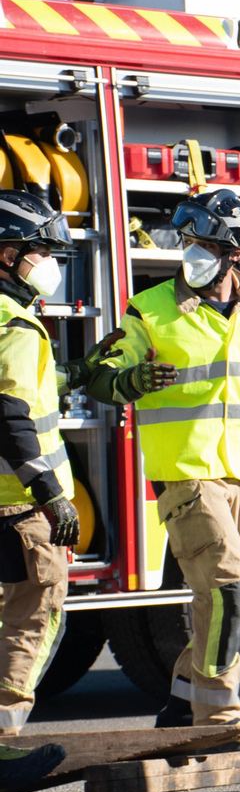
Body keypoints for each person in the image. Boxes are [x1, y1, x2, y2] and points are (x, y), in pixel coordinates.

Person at [86, 188, 240, 749]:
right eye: (188, 242)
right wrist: (126, 382)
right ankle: (218, 721)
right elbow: (102, 377)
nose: (192, 253)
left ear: (235, 254)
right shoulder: (149, 310)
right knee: (228, 592)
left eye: (205, 244)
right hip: (187, 476)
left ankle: (182, 699)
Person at [0, 192, 107, 740]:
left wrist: (80, 370)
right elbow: (12, 414)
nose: (49, 265)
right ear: (7, 254)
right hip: (18, 508)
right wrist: (50, 493)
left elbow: (29, 389)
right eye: (41, 251)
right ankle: (4, 742)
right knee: (33, 621)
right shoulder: (14, 324)